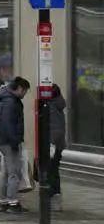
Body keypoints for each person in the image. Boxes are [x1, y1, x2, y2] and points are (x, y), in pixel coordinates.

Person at [0, 76, 30, 213]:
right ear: (20, 89)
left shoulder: (6, 99)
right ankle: (13, 203)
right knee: (14, 173)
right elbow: (8, 124)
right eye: (25, 91)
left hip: (4, 140)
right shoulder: (11, 102)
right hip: (9, 141)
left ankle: (4, 201)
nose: (25, 94)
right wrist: (15, 141)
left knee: (6, 173)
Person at [47, 83, 67, 211]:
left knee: (51, 172)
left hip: (52, 145)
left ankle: (54, 197)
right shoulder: (57, 104)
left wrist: (50, 144)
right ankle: (55, 196)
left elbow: (56, 128)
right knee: (53, 171)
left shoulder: (51, 107)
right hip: (57, 144)